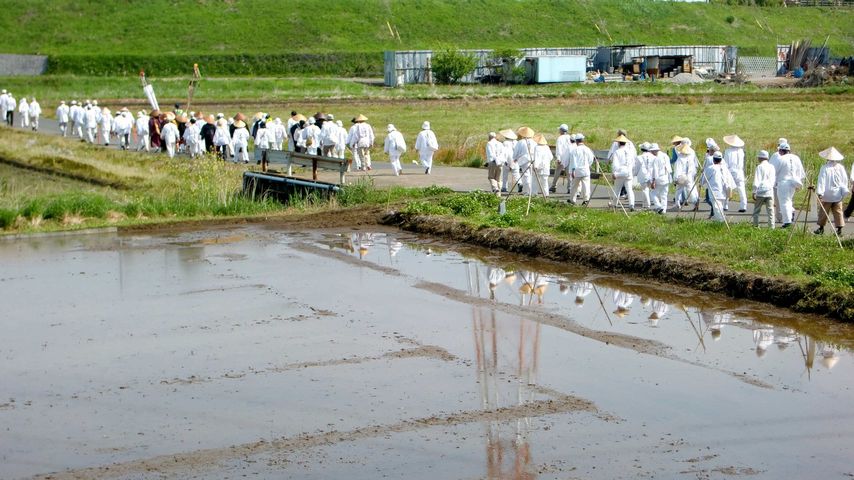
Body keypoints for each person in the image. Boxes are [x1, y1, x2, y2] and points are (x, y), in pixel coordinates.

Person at [814, 147, 849, 236]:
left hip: (827, 194)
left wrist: (820, 192)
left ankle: (821, 228)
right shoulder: (841, 167)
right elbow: (844, 180)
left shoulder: (825, 168)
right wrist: (843, 190)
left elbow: (821, 180)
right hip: (837, 194)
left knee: (824, 211)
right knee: (838, 211)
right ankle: (839, 230)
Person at [775, 141, 805, 228]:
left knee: (784, 202)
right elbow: (801, 172)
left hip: (783, 182)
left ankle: (787, 221)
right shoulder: (796, 158)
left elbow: (775, 171)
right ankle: (790, 214)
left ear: (781, 151)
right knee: (789, 200)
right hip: (793, 183)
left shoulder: (781, 159)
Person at [703, 151, 735, 222]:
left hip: (715, 192)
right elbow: (730, 181)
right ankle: (720, 220)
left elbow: (704, 179)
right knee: (719, 207)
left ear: (713, 159)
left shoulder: (711, 168)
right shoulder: (725, 169)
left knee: (717, 208)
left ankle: (721, 221)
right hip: (723, 192)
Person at [610, 133, 636, 211]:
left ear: (618, 143)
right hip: (628, 172)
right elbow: (633, 162)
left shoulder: (617, 152)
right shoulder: (630, 152)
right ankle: (631, 204)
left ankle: (615, 204)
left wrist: (615, 173)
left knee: (617, 189)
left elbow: (615, 164)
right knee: (629, 189)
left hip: (620, 172)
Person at [752, 150, 776, 228]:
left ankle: (756, 225)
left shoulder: (759, 167)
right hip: (769, 190)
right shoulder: (772, 167)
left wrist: (754, 191)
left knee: (757, 210)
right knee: (770, 210)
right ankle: (772, 226)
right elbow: (773, 179)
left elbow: (757, 180)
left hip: (761, 191)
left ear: (760, 158)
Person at [723, 134, 747, 212]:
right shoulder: (741, 151)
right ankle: (743, 205)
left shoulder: (728, 151)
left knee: (728, 187)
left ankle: (725, 204)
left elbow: (726, 163)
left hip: (731, 171)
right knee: (741, 189)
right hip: (740, 171)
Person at [568, 133, 594, 205]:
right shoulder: (587, 149)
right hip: (585, 169)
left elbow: (573, 161)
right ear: (583, 140)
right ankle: (586, 200)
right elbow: (591, 159)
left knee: (574, 186)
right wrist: (588, 165)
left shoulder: (575, 150)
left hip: (577, 170)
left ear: (576, 141)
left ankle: (572, 200)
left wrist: (572, 171)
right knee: (586, 185)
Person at [673, 138, 699, 210]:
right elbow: (695, 164)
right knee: (691, 190)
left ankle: (677, 204)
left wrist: (675, 178)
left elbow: (677, 169)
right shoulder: (692, 154)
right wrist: (694, 174)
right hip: (690, 176)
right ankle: (695, 201)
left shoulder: (680, 158)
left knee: (678, 190)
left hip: (681, 176)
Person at [512, 126, 537, 194]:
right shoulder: (534, 142)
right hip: (533, 159)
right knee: (532, 176)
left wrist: (515, 158)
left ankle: (528, 191)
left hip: (524, 160)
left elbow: (516, 151)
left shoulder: (521, 142)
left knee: (526, 175)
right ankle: (533, 191)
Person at [649, 143, 672, 214]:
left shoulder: (655, 159)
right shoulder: (665, 156)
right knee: (664, 195)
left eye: (652, 151)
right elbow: (669, 168)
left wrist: (653, 181)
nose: (651, 153)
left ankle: (658, 206)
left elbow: (655, 171)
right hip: (666, 177)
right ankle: (663, 210)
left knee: (653, 194)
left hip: (659, 178)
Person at [550, 124, 572, 193]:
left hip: (562, 158)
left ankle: (554, 186)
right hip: (569, 157)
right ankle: (569, 187)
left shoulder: (560, 138)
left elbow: (559, 149)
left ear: (561, 130)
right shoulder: (570, 137)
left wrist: (558, 158)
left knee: (557, 172)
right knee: (569, 173)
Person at [498, 128, 518, 193]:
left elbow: (505, 152)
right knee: (516, 173)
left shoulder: (505, 143)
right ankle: (520, 183)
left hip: (507, 159)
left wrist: (504, 160)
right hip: (515, 159)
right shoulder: (516, 142)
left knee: (505, 174)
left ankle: (504, 187)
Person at [635, 142, 652, 209]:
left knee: (645, 189)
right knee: (647, 189)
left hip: (643, 174)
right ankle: (644, 203)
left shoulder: (639, 157)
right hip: (651, 174)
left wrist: (635, 173)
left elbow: (637, 167)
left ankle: (647, 204)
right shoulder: (653, 156)